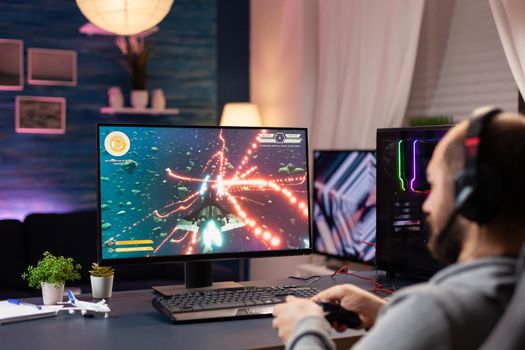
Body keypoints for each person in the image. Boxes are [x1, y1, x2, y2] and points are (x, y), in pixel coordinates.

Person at [273, 109, 525, 350]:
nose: (426, 204)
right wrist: (389, 315)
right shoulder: (512, 296)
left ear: (470, 198)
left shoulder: (436, 310)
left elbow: (440, 322)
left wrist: (304, 329)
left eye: (434, 186)